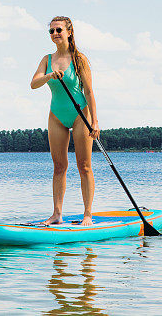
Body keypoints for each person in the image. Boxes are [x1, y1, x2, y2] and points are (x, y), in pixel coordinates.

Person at [30, 16, 99, 226]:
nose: (55, 34)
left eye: (58, 30)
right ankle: (57, 214)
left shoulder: (80, 59)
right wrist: (50, 75)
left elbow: (88, 91)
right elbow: (33, 84)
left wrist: (94, 121)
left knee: (84, 165)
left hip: (80, 115)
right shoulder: (46, 60)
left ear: (69, 32)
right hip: (57, 115)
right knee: (59, 166)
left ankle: (87, 214)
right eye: (51, 31)